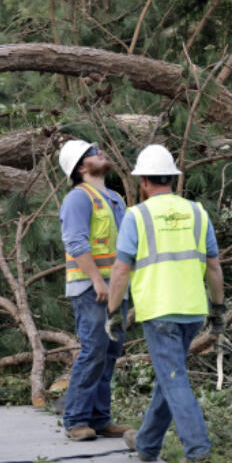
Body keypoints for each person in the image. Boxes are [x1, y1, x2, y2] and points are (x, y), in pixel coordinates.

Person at [107, 144, 225, 462]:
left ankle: (198, 449)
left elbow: (120, 269)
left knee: (174, 377)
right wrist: (218, 308)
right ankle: (146, 443)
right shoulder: (197, 212)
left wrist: (114, 312)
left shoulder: (137, 216)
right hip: (192, 311)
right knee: (169, 374)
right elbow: (214, 266)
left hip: (160, 311)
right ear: (171, 178)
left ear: (143, 181)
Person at [57, 139, 132, 441]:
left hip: (115, 289)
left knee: (110, 352)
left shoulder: (114, 198)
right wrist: (97, 281)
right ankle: (75, 420)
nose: (100, 152)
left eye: (99, 149)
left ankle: (100, 419)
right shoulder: (78, 198)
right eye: (91, 153)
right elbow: (75, 242)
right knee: (93, 350)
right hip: (92, 289)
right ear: (80, 167)